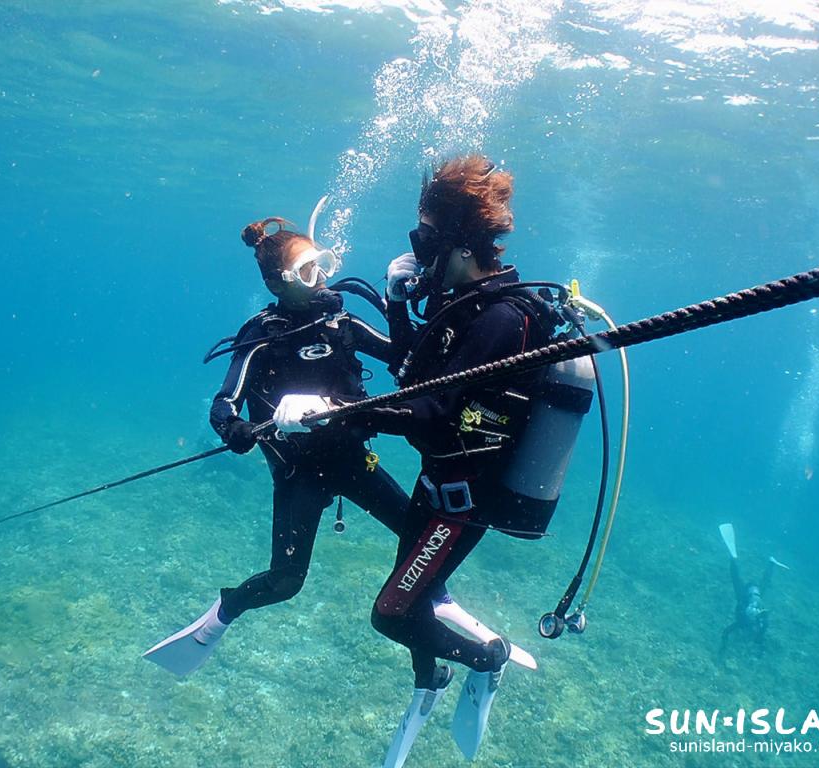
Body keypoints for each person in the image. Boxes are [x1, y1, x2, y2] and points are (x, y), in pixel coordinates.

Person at [274, 155, 576, 766]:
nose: (418, 251)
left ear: (459, 245)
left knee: (392, 613)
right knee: (419, 591)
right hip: (435, 487)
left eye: (424, 239)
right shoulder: (464, 306)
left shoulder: (497, 319)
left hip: (461, 504)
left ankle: (487, 661)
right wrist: (393, 298)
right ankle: (429, 679)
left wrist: (336, 411)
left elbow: (432, 412)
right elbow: (414, 371)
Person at [143, 214, 410, 676]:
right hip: (298, 473)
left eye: (322, 264)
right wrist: (237, 432)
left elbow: (406, 356)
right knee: (286, 582)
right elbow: (223, 404)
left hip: (352, 457)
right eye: (309, 271)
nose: (323, 278)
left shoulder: (341, 323)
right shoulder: (261, 337)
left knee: (419, 531)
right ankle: (224, 612)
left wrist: (399, 299)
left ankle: (432, 603)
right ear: (277, 283)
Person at [717, 523, 789, 659]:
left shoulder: (755, 620)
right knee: (739, 580)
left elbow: (727, 632)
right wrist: (759, 647)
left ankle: (768, 563)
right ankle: (768, 563)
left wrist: (723, 648)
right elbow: (727, 632)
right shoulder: (758, 621)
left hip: (753, 594)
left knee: (757, 584)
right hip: (750, 595)